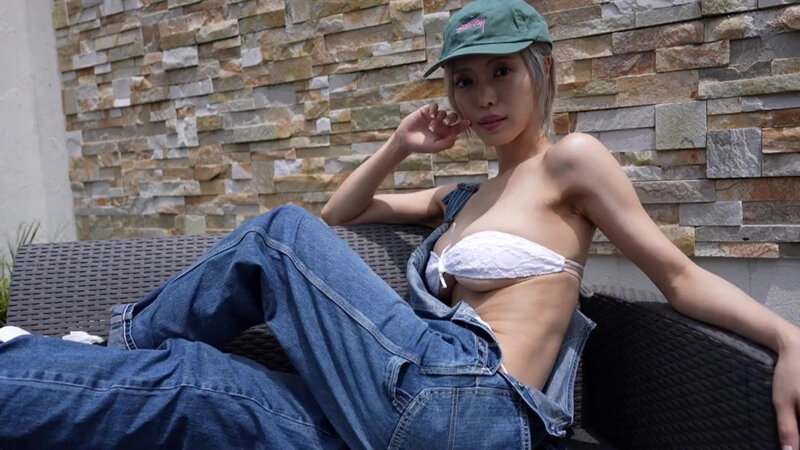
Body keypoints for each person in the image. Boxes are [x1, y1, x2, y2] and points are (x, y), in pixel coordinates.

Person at [0, 0, 798, 448]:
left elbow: (677, 275)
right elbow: (345, 212)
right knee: (198, 385)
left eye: (501, 72)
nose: (483, 97)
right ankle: (27, 362)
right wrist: (398, 146)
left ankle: (121, 338)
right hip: (412, 414)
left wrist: (788, 337)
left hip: (476, 405)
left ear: (542, 70)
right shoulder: (463, 196)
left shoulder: (572, 162)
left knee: (277, 235)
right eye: (464, 81)